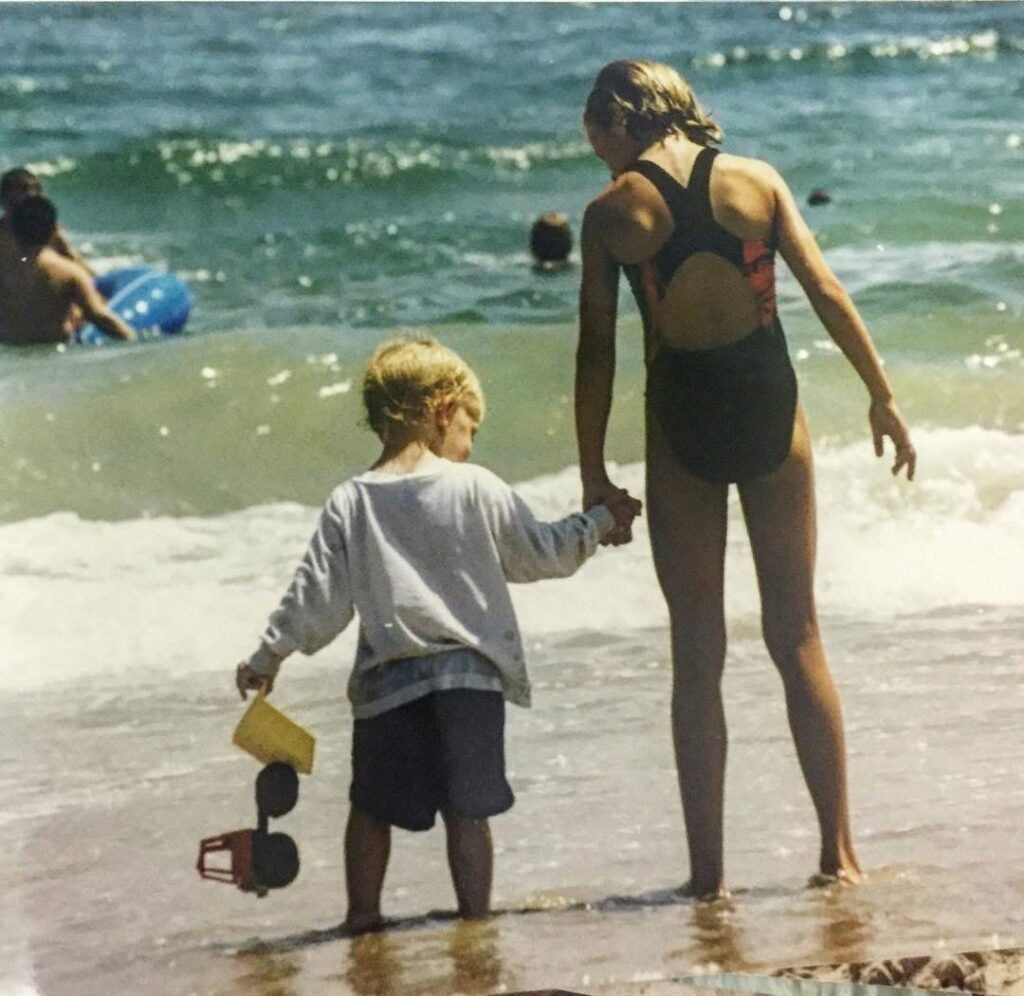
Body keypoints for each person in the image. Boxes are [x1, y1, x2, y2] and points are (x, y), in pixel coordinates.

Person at [574, 60, 916, 898]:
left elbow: (597, 351)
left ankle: (707, 878)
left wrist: (593, 473)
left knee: (697, 653)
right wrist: (882, 395)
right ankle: (839, 856)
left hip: (683, 418)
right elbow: (825, 290)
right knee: (797, 636)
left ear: (622, 121)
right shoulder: (756, 180)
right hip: (770, 406)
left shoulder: (613, 212)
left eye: (602, 147)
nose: (605, 167)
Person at [234, 337, 640, 933]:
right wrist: (601, 521)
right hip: (468, 683)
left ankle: (362, 916)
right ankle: (476, 920)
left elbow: (315, 597)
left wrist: (269, 655)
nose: (470, 445)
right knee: (467, 813)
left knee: (370, 810)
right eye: (469, 428)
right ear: (445, 409)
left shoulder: (350, 500)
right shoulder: (473, 485)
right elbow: (541, 554)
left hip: (387, 686)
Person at [0, 195, 134, 344]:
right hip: (54, 353)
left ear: (13, 231)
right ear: (53, 230)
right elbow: (98, 316)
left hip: (10, 353)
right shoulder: (69, 273)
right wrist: (133, 341)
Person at [0, 167, 93, 273]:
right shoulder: (3, 233)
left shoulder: (46, 227)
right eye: (24, 189)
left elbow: (70, 257)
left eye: (36, 189)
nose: (31, 194)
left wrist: (97, 280)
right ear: (5, 199)